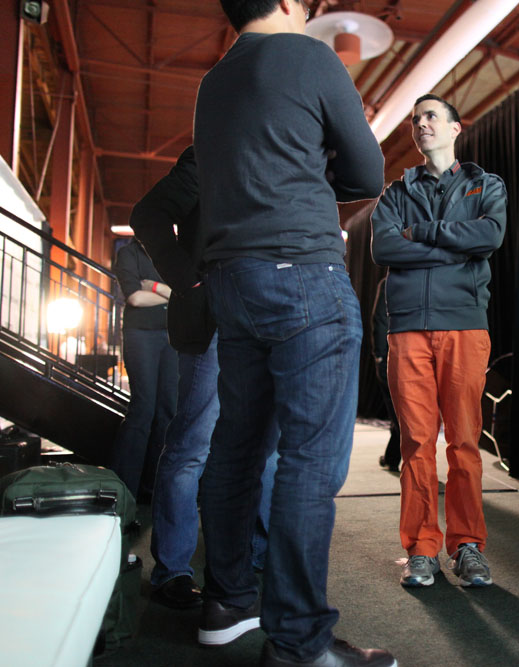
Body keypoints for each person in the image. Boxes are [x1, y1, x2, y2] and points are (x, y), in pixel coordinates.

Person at [193, 1, 392, 665]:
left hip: (232, 278)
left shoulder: (213, 82)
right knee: (310, 461)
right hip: (302, 273)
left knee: (238, 444)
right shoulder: (309, 57)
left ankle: (226, 599)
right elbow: (368, 173)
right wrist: (314, 167)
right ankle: (300, 642)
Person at [128, 145, 279, 620]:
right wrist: (184, 276)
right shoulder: (207, 152)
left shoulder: (281, 148)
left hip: (270, 317)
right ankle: (172, 569)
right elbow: (148, 214)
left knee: (268, 449)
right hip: (214, 320)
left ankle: (259, 555)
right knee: (192, 444)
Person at [370, 94, 507, 588]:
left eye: (431, 116)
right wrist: (453, 243)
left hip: (465, 327)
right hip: (407, 330)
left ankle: (467, 545)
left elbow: (488, 235)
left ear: (455, 128)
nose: (421, 123)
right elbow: (384, 246)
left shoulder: (484, 184)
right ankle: (422, 548)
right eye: (415, 118)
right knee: (417, 445)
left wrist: (422, 235)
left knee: (466, 443)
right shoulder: (394, 194)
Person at [110, 239, 178, 500]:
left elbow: (182, 293)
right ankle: (124, 488)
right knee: (143, 408)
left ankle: (152, 489)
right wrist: (170, 293)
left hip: (172, 336)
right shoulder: (128, 254)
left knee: (167, 411)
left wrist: (158, 287)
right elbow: (135, 297)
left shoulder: (173, 252)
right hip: (141, 336)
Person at [370, 276, 400, 472]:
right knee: (400, 413)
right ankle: (391, 457)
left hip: (393, 357)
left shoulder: (389, 282)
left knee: (398, 414)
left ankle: (392, 458)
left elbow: (380, 320)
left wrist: (380, 356)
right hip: (407, 356)